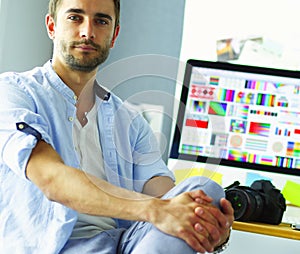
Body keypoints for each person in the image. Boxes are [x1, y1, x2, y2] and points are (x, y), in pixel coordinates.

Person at [0, 0, 234, 253]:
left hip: (126, 243)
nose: (87, 32)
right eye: (75, 18)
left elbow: (168, 197)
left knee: (204, 189)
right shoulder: (15, 93)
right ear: (52, 26)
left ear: (114, 35)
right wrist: (155, 210)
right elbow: (51, 179)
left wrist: (210, 224)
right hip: (57, 247)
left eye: (101, 21)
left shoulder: (130, 121)